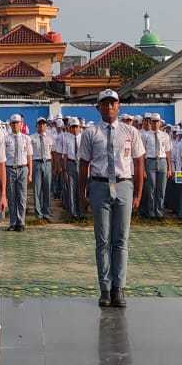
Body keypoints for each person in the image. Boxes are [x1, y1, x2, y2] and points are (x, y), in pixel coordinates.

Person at [78, 89, 145, 308]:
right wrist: (82, 193)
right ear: (98, 107)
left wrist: (138, 193)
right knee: (102, 240)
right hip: (100, 185)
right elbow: (84, 165)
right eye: (104, 103)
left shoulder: (130, 131)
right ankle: (105, 288)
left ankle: (119, 288)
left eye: (112, 103)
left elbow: (139, 163)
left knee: (121, 239)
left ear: (119, 107)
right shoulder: (90, 133)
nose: (109, 107)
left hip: (124, 184)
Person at [4, 114, 32, 231]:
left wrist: (30, 173)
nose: (15, 125)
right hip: (10, 168)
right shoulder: (6, 139)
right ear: (10, 124)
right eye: (13, 123)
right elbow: (3, 156)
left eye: (17, 123)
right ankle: (13, 222)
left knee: (22, 196)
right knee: (11, 197)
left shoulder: (26, 138)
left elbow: (29, 156)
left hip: (22, 168)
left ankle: (21, 222)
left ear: (21, 124)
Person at [29, 118, 54, 222]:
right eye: (39, 124)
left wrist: (54, 166)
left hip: (47, 162)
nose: (42, 126)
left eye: (43, 124)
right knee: (37, 189)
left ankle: (46, 212)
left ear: (46, 125)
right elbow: (30, 154)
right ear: (36, 125)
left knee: (47, 189)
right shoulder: (31, 138)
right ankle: (38, 213)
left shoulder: (50, 137)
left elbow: (53, 152)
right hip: (37, 162)